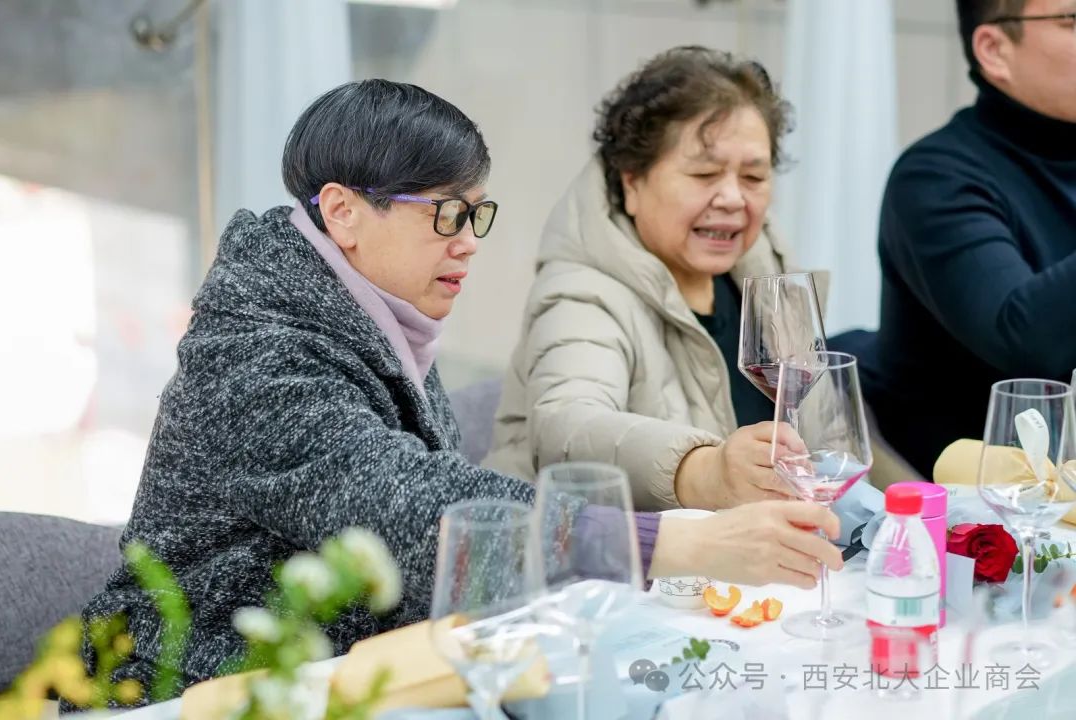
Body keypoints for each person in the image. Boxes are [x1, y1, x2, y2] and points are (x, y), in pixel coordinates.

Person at [71, 80, 843, 704]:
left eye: (477, 214)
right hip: (196, 687)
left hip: (345, 674)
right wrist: (679, 542)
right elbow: (409, 504)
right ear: (343, 212)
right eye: (448, 214)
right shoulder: (257, 352)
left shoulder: (365, 310)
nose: (470, 243)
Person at [485, 47, 823, 512]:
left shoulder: (766, 267)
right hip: (586, 549)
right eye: (704, 173)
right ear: (632, 183)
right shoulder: (582, 294)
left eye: (753, 176)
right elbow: (568, 428)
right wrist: (704, 470)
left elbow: (820, 433)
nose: (732, 198)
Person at [833, 0, 1076, 478]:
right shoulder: (935, 177)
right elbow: (1024, 342)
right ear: (994, 49)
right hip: (961, 499)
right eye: (1072, 20)